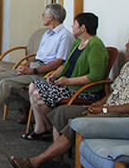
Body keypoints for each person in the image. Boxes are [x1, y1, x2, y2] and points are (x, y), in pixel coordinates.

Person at [8, 30, 129, 168]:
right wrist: (98, 104)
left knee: (77, 123)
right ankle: (58, 161)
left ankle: (35, 163)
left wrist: (104, 109)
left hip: (124, 118)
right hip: (107, 107)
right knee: (62, 112)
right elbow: (113, 92)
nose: (126, 45)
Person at [0, 3, 73, 131]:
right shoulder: (47, 33)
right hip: (34, 67)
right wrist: (26, 64)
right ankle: (25, 105)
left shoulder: (65, 36)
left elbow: (58, 63)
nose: (42, 17)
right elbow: (39, 56)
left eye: (43, 14)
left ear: (51, 17)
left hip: (44, 73)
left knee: (6, 84)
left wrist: (32, 70)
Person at [24, 12, 109, 140]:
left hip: (84, 89)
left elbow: (95, 76)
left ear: (83, 28)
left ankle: (51, 125)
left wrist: (68, 81)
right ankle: (41, 128)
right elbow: (66, 64)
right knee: (32, 87)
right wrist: (54, 75)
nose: (72, 26)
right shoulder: (78, 42)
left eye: (74, 24)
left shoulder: (95, 45)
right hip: (67, 83)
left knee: (38, 96)